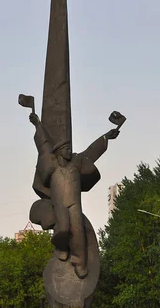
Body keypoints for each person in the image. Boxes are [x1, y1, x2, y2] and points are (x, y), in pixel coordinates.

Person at [29, 112, 119, 279]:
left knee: (78, 233)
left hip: (74, 204)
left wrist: (106, 137)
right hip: (59, 204)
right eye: (66, 148)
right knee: (63, 228)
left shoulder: (76, 163)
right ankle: (61, 247)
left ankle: (80, 263)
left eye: (70, 148)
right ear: (59, 151)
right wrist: (37, 125)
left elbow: (91, 153)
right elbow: (43, 145)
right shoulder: (52, 165)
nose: (69, 151)